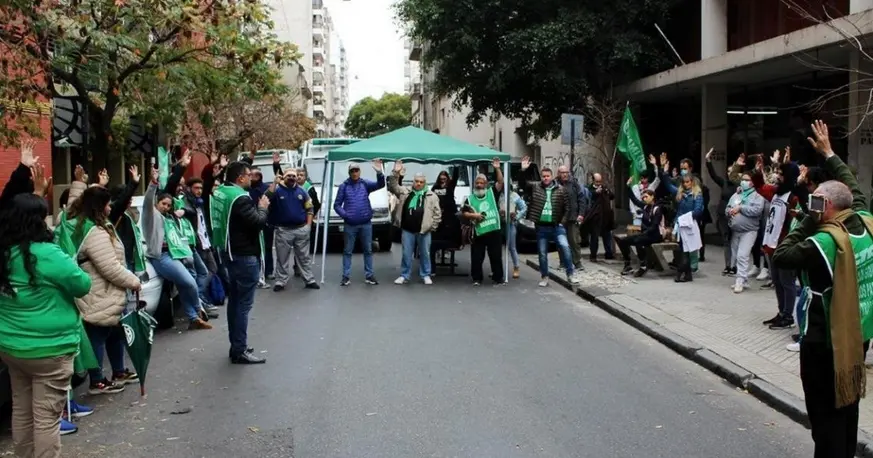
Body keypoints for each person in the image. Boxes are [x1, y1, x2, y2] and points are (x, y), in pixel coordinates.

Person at [772, 120, 873, 458]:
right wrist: (829, 153)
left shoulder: (824, 243)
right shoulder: (865, 222)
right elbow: (854, 190)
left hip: (825, 338)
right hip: (857, 334)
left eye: (817, 202)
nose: (812, 204)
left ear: (827, 207)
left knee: (824, 414)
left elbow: (782, 256)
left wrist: (808, 219)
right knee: (847, 406)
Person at [0, 192, 92, 457]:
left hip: (12, 347)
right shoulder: (47, 254)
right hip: (51, 349)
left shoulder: (5, 254)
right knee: (46, 420)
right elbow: (82, 284)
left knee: (22, 411)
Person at [59, 185, 143, 395]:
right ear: (99, 206)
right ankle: (97, 381)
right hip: (99, 291)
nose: (110, 207)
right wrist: (133, 281)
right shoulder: (94, 232)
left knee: (114, 332)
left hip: (100, 290)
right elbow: (109, 267)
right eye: (107, 204)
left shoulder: (80, 223)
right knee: (98, 335)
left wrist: (80, 183)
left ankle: (118, 371)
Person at [211, 161, 269, 364]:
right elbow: (257, 222)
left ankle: (236, 345)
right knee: (243, 305)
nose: (251, 178)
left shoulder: (221, 191)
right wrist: (262, 208)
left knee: (235, 302)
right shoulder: (240, 198)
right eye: (248, 174)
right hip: (243, 255)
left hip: (229, 252)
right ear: (240, 178)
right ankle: (239, 350)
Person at [142, 168, 212, 331]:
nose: (166, 207)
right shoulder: (151, 216)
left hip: (177, 254)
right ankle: (198, 309)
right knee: (190, 283)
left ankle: (193, 319)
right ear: (157, 203)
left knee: (184, 285)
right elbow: (147, 202)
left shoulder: (170, 218)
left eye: (168, 205)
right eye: (163, 204)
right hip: (162, 256)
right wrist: (153, 184)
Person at [753, 149, 801, 329]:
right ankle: (781, 312)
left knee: (787, 282)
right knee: (777, 281)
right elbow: (760, 187)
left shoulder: (794, 197)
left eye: (781, 174)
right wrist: (757, 171)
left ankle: (788, 316)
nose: (777, 177)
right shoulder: (776, 192)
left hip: (785, 246)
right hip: (772, 244)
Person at [519, 157, 578, 287]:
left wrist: (562, 222)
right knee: (542, 253)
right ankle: (545, 276)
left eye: (547, 176)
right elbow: (523, 184)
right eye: (543, 176)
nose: (545, 178)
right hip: (541, 227)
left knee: (565, 247)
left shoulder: (561, 189)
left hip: (557, 226)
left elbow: (567, 208)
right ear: (541, 177)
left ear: (552, 177)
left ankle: (570, 274)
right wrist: (523, 170)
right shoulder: (536, 187)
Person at [388, 161, 442, 285]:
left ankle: (426, 274)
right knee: (406, 254)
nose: (418, 184)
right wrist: (395, 172)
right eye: (416, 181)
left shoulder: (432, 196)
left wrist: (432, 227)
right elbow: (393, 187)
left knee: (425, 254)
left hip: (424, 230)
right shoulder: (405, 192)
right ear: (413, 182)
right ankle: (404, 275)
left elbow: (437, 214)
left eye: (421, 182)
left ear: (425, 183)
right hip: (408, 229)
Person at [333, 160, 385, 286]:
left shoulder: (365, 183)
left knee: (368, 250)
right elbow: (337, 205)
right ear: (349, 173)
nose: (355, 173)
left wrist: (379, 173)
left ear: (360, 172)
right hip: (350, 224)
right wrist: (346, 215)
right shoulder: (344, 186)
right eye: (352, 171)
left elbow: (380, 184)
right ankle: (346, 276)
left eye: (356, 170)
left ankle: (369, 275)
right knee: (348, 251)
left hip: (365, 223)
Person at [267, 168, 319, 291]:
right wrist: (274, 183)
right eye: (289, 176)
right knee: (282, 258)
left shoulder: (302, 191)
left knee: (304, 257)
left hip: (301, 229)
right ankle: (281, 281)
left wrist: (308, 226)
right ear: (284, 177)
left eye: (294, 176)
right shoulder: (277, 191)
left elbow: (310, 209)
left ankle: (309, 280)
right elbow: (266, 198)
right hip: (283, 230)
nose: (291, 178)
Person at [660, 158, 704, 282]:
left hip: (690, 225)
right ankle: (687, 274)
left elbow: (698, 211)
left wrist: (684, 219)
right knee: (681, 250)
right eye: (684, 182)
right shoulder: (680, 192)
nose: (685, 184)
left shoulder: (697, 194)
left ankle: (681, 272)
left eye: (688, 182)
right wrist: (665, 171)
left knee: (686, 250)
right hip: (679, 225)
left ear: (692, 182)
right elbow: (668, 185)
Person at [461, 168, 505, 286]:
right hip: (479, 231)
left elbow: (500, 182)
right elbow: (464, 212)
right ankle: (477, 278)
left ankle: (498, 278)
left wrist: (497, 168)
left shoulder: (492, 193)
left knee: (496, 256)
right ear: (474, 184)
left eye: (482, 183)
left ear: (486, 184)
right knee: (477, 257)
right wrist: (474, 215)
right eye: (477, 183)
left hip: (494, 230)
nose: (479, 185)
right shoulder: (470, 198)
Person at [705, 149, 744, 275]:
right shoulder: (724, 183)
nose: (729, 173)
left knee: (735, 240)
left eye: (731, 171)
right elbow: (713, 175)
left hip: (736, 215)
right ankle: (728, 265)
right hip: (723, 215)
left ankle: (735, 265)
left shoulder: (740, 185)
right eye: (728, 171)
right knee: (726, 240)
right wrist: (708, 161)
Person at [725, 171, 765, 293]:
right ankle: (744, 279)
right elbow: (728, 207)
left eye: (747, 180)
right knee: (736, 256)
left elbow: (757, 211)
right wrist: (729, 211)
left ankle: (739, 281)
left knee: (742, 255)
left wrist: (741, 208)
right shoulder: (736, 195)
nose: (744, 182)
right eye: (742, 179)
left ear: (753, 182)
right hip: (736, 231)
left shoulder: (758, 197)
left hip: (749, 231)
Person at [618, 180, 664, 277]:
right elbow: (634, 199)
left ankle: (643, 265)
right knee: (623, 241)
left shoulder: (657, 209)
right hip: (645, 233)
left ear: (652, 197)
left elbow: (654, 226)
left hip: (655, 235)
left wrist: (643, 233)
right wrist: (628, 187)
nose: (644, 199)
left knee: (638, 241)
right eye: (643, 197)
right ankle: (627, 264)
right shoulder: (645, 206)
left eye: (646, 197)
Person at [556, 165, 589, 269]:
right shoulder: (555, 184)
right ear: (558, 173)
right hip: (559, 219)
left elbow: (582, 200)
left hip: (573, 217)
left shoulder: (574, 184)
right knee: (561, 242)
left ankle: (577, 262)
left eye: (566, 172)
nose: (565, 174)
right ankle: (563, 262)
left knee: (574, 241)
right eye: (563, 172)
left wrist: (581, 214)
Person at [585, 173, 615, 262]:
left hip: (605, 216)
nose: (598, 183)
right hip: (595, 217)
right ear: (593, 181)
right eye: (597, 181)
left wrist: (607, 191)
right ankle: (593, 255)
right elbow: (588, 198)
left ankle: (609, 254)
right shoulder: (589, 189)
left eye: (600, 181)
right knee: (594, 237)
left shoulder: (604, 187)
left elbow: (612, 196)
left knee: (607, 236)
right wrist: (595, 193)